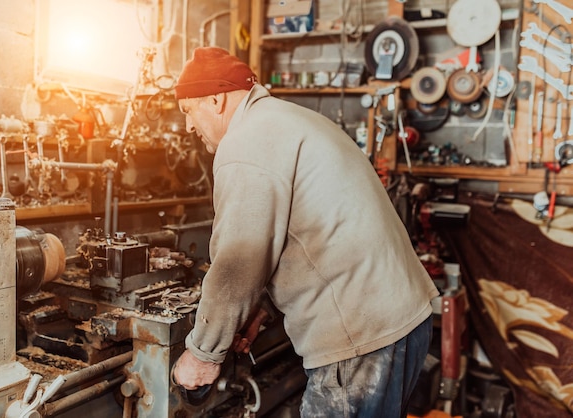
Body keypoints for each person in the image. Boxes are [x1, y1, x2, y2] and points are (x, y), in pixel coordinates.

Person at [172, 46, 439, 417]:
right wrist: (261, 310)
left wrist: (203, 354)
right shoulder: (290, 120)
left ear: (215, 100)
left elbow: (239, 261)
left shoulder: (245, 141)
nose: (187, 126)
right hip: (402, 321)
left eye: (188, 111)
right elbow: (308, 230)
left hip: (360, 341)